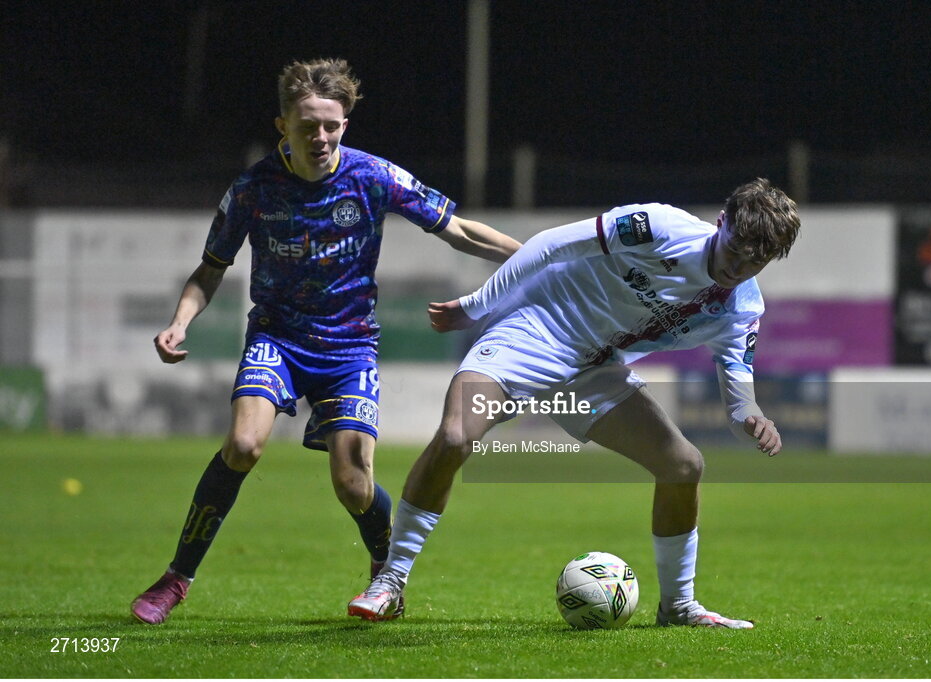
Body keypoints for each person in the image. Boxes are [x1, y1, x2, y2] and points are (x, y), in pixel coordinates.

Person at [130, 58, 520, 625]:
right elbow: (210, 268)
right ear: (282, 124)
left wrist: (535, 256)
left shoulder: (372, 176)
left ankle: (387, 572)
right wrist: (180, 321)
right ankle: (176, 578)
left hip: (349, 348)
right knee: (243, 446)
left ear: (345, 124)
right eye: (307, 124)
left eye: (331, 125)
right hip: (277, 340)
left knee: (353, 482)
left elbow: (456, 229)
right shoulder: (253, 188)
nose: (320, 136)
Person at [347, 178, 800, 628]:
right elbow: (549, 246)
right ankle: (390, 580)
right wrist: (477, 306)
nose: (738, 266)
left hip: (593, 373)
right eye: (735, 247)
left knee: (684, 465)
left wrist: (753, 418)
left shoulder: (742, 308)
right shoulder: (659, 226)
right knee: (455, 437)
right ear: (721, 222)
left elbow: (738, 397)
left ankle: (678, 607)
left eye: (755, 261)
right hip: (535, 332)